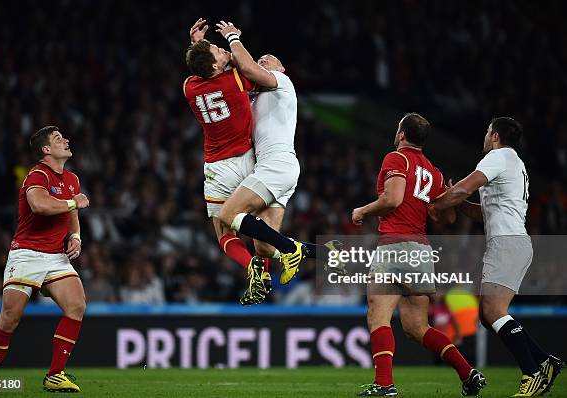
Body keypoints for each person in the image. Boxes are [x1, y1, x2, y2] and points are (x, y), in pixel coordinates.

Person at [184, 19, 327, 305]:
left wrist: (211, 44)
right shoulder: (239, 86)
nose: (223, 49)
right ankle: (316, 254)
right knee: (262, 243)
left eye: (269, 60)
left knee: (224, 221)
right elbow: (239, 71)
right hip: (258, 164)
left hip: (247, 165)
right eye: (217, 50)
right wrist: (215, 46)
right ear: (214, 67)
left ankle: (272, 258)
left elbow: (236, 69)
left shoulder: (192, 87)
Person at [351, 113, 485, 396]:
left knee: (379, 317)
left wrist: (362, 210)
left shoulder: (397, 159)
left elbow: (393, 199)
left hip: (394, 246)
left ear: (401, 134)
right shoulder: (433, 172)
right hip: (421, 252)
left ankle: (384, 384)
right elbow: (447, 218)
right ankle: (467, 372)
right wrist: (450, 194)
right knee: (416, 327)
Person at [429, 117, 564, 396]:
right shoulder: (514, 163)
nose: (485, 135)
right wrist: (458, 201)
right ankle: (543, 361)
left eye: (487, 131)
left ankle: (533, 373)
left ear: (496, 137)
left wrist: (439, 202)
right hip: (512, 242)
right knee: (489, 315)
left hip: (507, 243)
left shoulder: (498, 156)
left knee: (492, 312)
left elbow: (465, 187)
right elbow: (482, 212)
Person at [0, 126, 89, 393]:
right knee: (10, 318)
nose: (67, 140)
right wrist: (73, 203)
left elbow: (72, 217)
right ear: (45, 150)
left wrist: (76, 237)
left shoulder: (71, 179)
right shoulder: (37, 175)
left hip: (56, 257)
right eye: (59, 139)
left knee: (77, 305)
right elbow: (40, 205)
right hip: (27, 254)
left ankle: (55, 374)